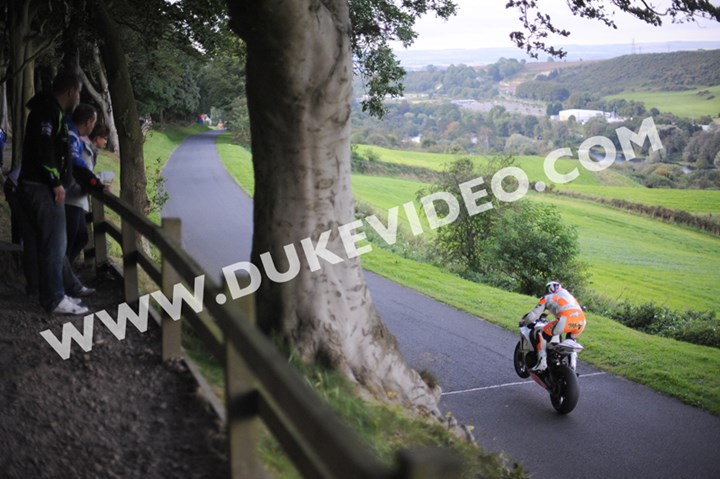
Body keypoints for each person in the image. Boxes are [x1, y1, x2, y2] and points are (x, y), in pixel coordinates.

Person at [18, 69, 88, 315]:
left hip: (33, 186)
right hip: (43, 189)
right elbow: (44, 148)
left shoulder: (47, 110)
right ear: (71, 91)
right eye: (78, 92)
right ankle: (55, 299)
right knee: (55, 244)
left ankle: (53, 293)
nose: (79, 97)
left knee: (43, 243)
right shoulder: (49, 112)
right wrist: (56, 182)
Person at [521, 281, 586, 372]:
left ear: (549, 289)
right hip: (581, 321)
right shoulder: (570, 296)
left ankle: (542, 362)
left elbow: (534, 315)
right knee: (571, 339)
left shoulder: (546, 297)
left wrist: (524, 322)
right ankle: (572, 364)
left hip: (565, 320)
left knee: (541, 333)